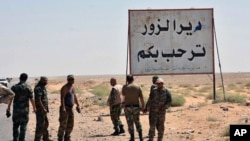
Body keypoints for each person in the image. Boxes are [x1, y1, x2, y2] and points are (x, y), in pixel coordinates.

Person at [9, 73, 36, 141]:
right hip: (25, 110)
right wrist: (34, 108)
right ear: (26, 79)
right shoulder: (28, 88)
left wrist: (8, 107)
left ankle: (15, 139)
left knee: (15, 126)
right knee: (23, 127)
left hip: (16, 110)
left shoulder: (14, 87)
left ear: (19, 78)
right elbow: (31, 99)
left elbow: (10, 98)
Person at [57, 75, 80, 141]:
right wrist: (63, 107)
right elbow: (62, 98)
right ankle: (60, 138)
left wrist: (78, 105)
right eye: (70, 79)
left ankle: (67, 137)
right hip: (65, 108)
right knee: (63, 124)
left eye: (73, 79)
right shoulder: (65, 88)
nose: (72, 80)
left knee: (71, 124)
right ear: (68, 80)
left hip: (70, 108)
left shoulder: (72, 87)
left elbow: (74, 97)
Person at [122, 75, 145, 141]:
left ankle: (132, 138)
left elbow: (123, 94)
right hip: (136, 107)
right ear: (133, 79)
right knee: (137, 121)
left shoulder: (125, 87)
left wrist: (126, 86)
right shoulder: (138, 87)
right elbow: (142, 98)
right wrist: (143, 107)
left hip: (128, 107)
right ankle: (141, 137)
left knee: (130, 122)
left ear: (127, 80)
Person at [34, 76, 52, 141]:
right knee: (40, 125)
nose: (46, 82)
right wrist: (43, 108)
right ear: (41, 80)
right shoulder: (38, 88)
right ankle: (37, 139)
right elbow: (38, 100)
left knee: (45, 124)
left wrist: (45, 109)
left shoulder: (43, 87)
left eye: (47, 80)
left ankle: (46, 138)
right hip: (40, 110)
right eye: (45, 80)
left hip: (44, 110)